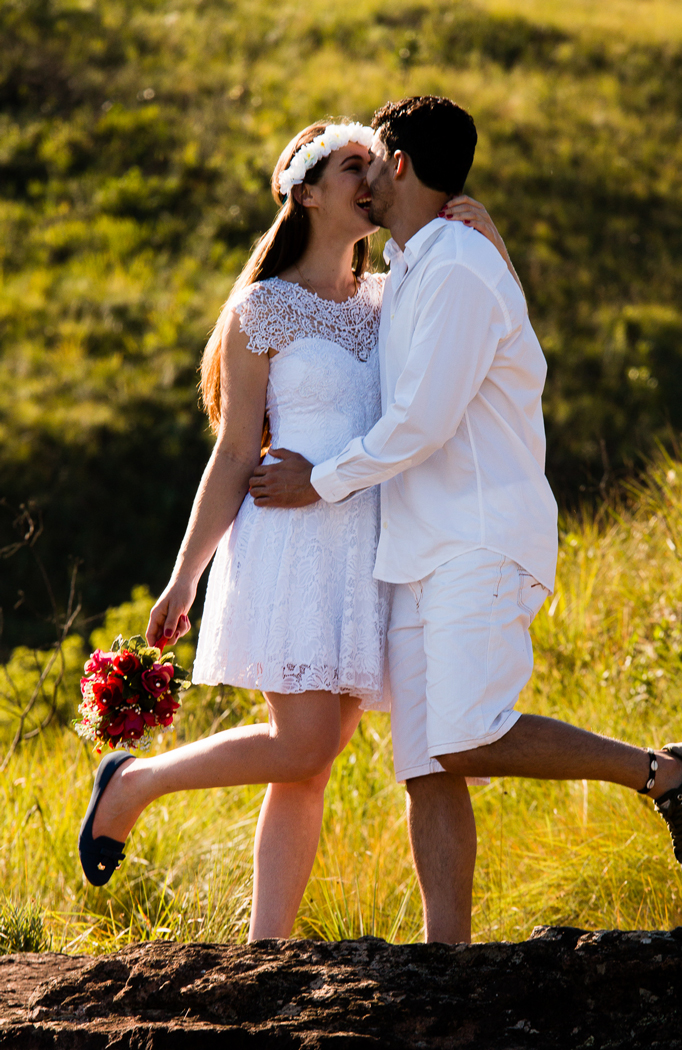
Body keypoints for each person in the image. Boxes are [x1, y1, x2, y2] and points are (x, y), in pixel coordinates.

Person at [248, 95, 682, 945]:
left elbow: (424, 421)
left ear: (398, 164)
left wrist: (319, 482)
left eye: (371, 160)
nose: (362, 178)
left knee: (466, 736)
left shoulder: (461, 268)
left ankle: (668, 774)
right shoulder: (424, 266)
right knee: (427, 767)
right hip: (416, 548)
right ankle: (448, 964)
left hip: (477, 534)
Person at [77, 116, 509, 940]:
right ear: (307, 193)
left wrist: (480, 229)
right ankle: (132, 785)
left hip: (371, 549)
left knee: (311, 761)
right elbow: (236, 452)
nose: (370, 180)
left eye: (375, 166)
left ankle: (266, 948)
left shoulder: (394, 295)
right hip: (291, 545)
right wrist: (183, 576)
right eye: (352, 167)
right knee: (304, 745)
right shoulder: (262, 310)